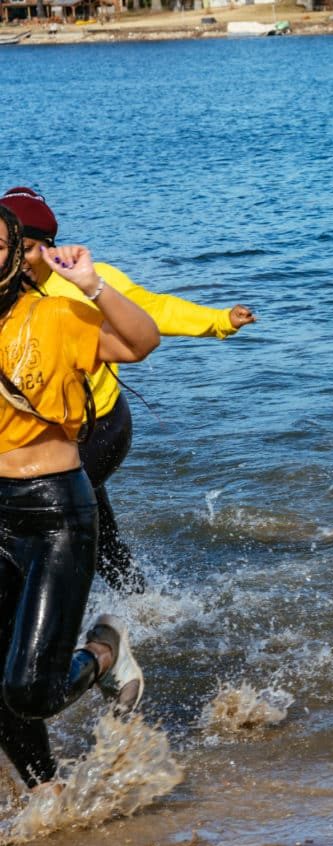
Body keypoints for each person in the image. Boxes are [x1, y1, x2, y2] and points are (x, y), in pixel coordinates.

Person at [1, 186, 257, 594]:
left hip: (101, 428)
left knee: (45, 523)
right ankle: (143, 607)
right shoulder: (5, 296)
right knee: (98, 538)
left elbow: (152, 313)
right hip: (42, 439)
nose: (20, 260)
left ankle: (63, 619)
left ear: (49, 248)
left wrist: (219, 319)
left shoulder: (81, 284)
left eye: (30, 248)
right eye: (12, 247)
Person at [0, 204, 159, 792]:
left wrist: (92, 284)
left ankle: (105, 650)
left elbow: (141, 341)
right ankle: (48, 791)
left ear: (18, 254)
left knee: (30, 688)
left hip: (54, 511)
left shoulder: (56, 314)